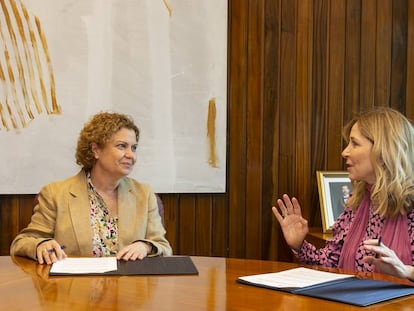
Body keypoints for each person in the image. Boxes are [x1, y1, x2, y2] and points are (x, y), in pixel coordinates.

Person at [10, 112, 172, 264]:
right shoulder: (55, 194)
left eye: (134, 148)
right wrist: (41, 245)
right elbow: (22, 242)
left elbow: (163, 246)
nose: (131, 155)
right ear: (96, 150)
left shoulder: (145, 194)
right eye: (122, 146)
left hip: (130, 289)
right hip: (73, 289)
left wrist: (146, 246)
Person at [272, 107, 414, 280]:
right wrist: (299, 245)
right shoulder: (357, 203)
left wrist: (407, 272)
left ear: (383, 150)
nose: (345, 152)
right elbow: (331, 264)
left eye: (355, 144)